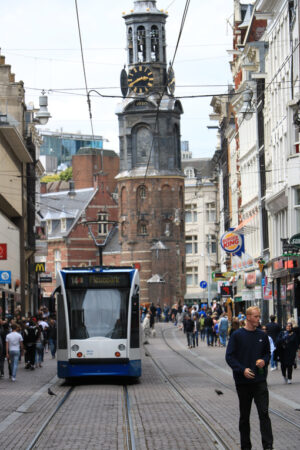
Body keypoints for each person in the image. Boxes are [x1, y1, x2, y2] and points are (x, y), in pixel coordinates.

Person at [226, 306, 273, 450]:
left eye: (259, 316)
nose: (258, 319)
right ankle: (246, 446)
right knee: (244, 416)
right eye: (256, 317)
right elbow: (229, 356)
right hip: (243, 382)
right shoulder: (237, 335)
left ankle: (268, 446)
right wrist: (242, 370)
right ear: (248, 317)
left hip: (259, 381)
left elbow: (267, 353)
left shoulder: (262, 335)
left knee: (264, 413)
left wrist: (264, 361)